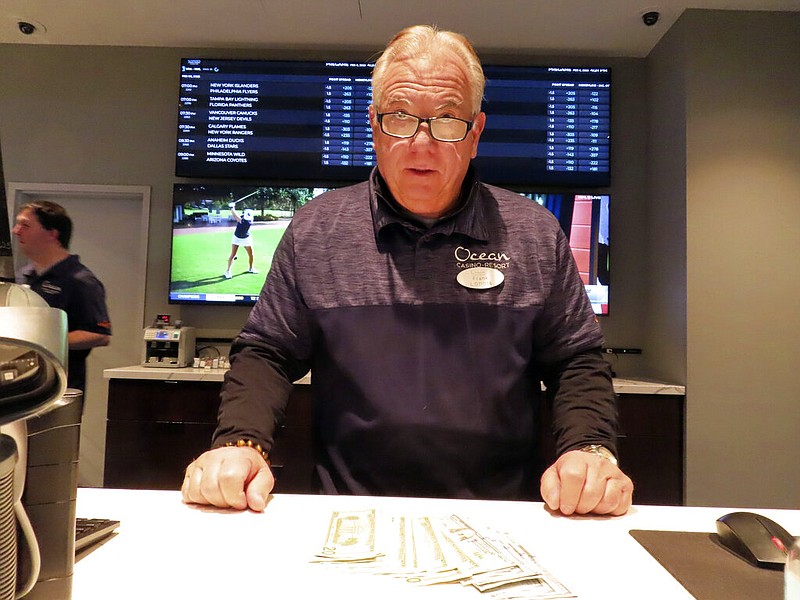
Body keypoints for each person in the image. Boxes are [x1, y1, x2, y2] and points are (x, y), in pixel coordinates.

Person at [183, 25, 633, 517]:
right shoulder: (316, 230)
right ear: (374, 127)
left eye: (446, 120)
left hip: (503, 515)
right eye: (400, 118)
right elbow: (267, 352)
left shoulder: (534, 232)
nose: (422, 143)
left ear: (475, 133)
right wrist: (241, 440)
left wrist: (590, 448)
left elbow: (576, 361)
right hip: (349, 514)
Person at [12, 200, 111, 391]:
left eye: (25, 225)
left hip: (57, 390)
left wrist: (41, 342)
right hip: (16, 387)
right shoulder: (21, 276)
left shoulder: (80, 280)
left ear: (52, 233)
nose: (16, 231)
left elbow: (100, 335)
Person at [223, 205, 258, 279]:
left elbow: (235, 216)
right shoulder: (244, 217)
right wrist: (232, 208)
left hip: (246, 238)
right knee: (233, 254)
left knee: (251, 254)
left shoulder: (248, 221)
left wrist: (232, 208)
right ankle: (228, 271)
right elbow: (236, 216)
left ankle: (251, 268)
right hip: (237, 237)